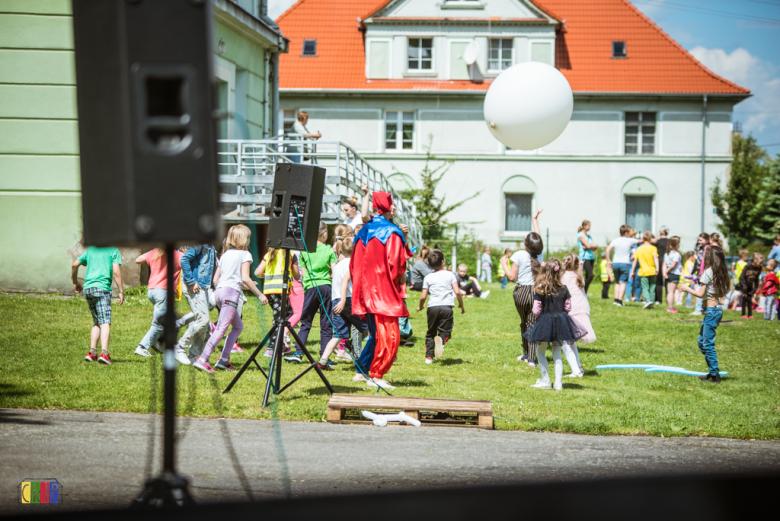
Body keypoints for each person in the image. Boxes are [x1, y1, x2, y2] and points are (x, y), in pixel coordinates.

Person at [350, 191, 413, 390]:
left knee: (376, 335)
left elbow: (354, 264)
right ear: (388, 207)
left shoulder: (363, 231)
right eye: (392, 204)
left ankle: (363, 371)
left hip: (364, 291)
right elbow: (396, 264)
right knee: (390, 337)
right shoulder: (391, 232)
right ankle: (376, 374)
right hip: (382, 293)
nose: (394, 207)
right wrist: (400, 279)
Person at [193, 225, 265, 372]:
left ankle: (224, 360)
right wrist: (259, 294)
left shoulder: (225, 255)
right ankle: (203, 359)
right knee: (221, 329)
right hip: (230, 295)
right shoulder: (245, 254)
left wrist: (240, 285)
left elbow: (216, 279)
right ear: (243, 238)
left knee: (238, 327)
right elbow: (245, 277)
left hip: (219, 292)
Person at [523, 258, 588, 391]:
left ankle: (546, 380)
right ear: (558, 272)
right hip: (560, 323)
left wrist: (541, 316)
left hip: (545, 322)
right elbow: (568, 307)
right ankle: (558, 383)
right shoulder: (564, 289)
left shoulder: (541, 289)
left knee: (540, 351)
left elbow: (536, 310)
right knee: (557, 353)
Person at [286, 221, 339, 364]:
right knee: (326, 323)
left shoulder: (304, 251)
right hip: (326, 288)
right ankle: (324, 356)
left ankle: (298, 352)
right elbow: (335, 272)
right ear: (325, 234)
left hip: (310, 288)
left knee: (306, 322)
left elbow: (302, 274)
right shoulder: (329, 250)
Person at [678, 246, 729, 383]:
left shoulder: (708, 271)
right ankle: (713, 372)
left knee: (707, 344)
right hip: (715, 311)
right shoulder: (720, 272)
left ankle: (715, 375)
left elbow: (700, 294)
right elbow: (720, 294)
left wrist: (686, 288)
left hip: (712, 312)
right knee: (702, 342)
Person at [317, 237, 369, 369]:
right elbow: (345, 281)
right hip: (348, 300)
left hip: (336, 301)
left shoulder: (338, 264)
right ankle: (370, 357)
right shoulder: (353, 263)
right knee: (369, 327)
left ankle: (323, 360)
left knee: (338, 334)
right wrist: (344, 300)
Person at [500, 208, 544, 367]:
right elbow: (538, 237)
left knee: (524, 323)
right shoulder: (539, 255)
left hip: (520, 293)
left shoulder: (518, 255)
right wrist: (534, 219)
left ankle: (527, 354)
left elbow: (511, 277)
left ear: (526, 244)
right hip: (535, 293)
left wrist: (504, 264)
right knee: (532, 324)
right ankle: (531, 358)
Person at [133, 248, 191, 364]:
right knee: (159, 324)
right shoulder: (178, 255)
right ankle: (142, 347)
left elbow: (138, 260)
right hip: (163, 291)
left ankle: (157, 342)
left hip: (152, 291)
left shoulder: (155, 252)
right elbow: (189, 268)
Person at [71, 246, 124, 364]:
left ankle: (92, 352)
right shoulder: (113, 250)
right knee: (105, 321)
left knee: (97, 321)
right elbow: (116, 271)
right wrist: (121, 291)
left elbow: (75, 264)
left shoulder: (91, 250)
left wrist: (75, 282)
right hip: (102, 289)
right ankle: (104, 354)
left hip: (88, 289)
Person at [415, 249, 465, 365]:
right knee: (446, 331)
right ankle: (441, 340)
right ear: (443, 262)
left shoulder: (428, 277)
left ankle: (429, 358)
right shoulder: (450, 275)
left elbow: (423, 296)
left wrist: (421, 306)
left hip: (432, 307)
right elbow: (457, 292)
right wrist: (461, 305)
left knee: (431, 332)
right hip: (446, 307)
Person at [254, 247, 301, 358]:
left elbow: (257, 272)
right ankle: (271, 347)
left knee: (284, 315)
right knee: (278, 319)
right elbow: (297, 276)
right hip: (281, 291)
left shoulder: (269, 254)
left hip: (269, 291)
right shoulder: (291, 255)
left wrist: (265, 276)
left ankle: (280, 345)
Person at [178, 244, 217, 362]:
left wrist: (213, 285)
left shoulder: (211, 247)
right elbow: (184, 259)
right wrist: (191, 281)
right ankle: (180, 347)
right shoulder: (200, 244)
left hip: (203, 286)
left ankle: (193, 355)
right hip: (193, 285)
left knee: (204, 324)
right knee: (203, 320)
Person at [561, 255, 594, 377]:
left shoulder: (563, 277)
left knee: (564, 342)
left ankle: (576, 371)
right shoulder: (578, 276)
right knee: (570, 341)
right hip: (582, 309)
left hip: (571, 310)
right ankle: (578, 367)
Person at [605, 224, 640, 307]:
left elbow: (607, 250)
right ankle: (620, 301)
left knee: (617, 282)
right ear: (626, 233)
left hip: (615, 263)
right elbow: (641, 241)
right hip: (625, 263)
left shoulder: (615, 240)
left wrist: (609, 260)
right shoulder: (629, 240)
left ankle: (616, 300)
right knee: (623, 282)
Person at [632, 231, 659, 310]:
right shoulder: (653, 248)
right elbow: (655, 258)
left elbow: (635, 261)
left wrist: (632, 271)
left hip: (643, 271)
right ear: (651, 239)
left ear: (642, 239)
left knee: (645, 288)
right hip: (652, 271)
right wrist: (657, 267)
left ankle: (648, 300)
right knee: (652, 288)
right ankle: (652, 304)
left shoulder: (639, 249)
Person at [737, 253, 763, 319]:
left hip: (751, 286)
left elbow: (756, 279)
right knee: (745, 299)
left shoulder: (759, 268)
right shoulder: (748, 266)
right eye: (760, 263)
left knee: (749, 299)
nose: (761, 264)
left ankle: (750, 315)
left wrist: (755, 289)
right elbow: (741, 277)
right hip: (744, 285)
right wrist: (744, 288)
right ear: (755, 260)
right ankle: (743, 314)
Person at [690, 233, 710, 315]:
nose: (699, 242)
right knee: (700, 290)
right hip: (699, 273)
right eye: (698, 240)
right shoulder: (699, 248)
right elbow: (697, 262)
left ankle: (700, 309)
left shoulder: (709, 249)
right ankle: (700, 309)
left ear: (707, 240)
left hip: (706, 273)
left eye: (701, 240)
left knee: (705, 292)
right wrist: (693, 271)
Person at [662, 236, 682, 314]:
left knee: (669, 292)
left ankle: (670, 307)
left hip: (668, 274)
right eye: (679, 243)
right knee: (671, 292)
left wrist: (664, 272)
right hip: (674, 274)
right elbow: (673, 266)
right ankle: (670, 308)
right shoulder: (676, 254)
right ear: (676, 244)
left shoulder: (667, 254)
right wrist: (666, 272)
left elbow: (664, 264)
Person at [577, 220, 598, 293]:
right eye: (588, 225)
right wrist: (590, 246)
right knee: (590, 275)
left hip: (591, 257)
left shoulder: (589, 236)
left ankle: (584, 292)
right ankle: (581, 290)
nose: (589, 227)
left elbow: (595, 247)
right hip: (584, 257)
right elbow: (589, 245)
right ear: (584, 226)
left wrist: (590, 247)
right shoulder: (580, 235)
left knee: (588, 276)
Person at [654, 226, 670, 304]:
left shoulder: (657, 242)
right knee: (668, 282)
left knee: (658, 282)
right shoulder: (670, 241)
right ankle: (668, 299)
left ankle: (658, 300)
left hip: (659, 261)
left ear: (660, 232)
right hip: (668, 262)